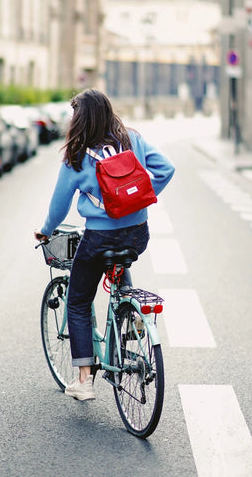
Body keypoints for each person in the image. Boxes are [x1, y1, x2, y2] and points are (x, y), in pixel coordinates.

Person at [34, 88, 175, 401]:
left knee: (79, 301)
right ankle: (132, 312)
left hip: (99, 237)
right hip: (139, 233)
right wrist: (137, 197)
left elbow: (59, 206)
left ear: (80, 119)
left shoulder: (77, 154)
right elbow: (167, 169)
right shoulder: (132, 140)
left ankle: (83, 380)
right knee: (120, 258)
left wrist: (45, 231)